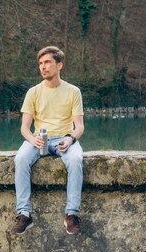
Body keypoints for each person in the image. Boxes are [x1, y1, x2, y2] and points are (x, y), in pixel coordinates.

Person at [11, 46, 85, 236]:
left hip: (64, 139)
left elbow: (80, 127)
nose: (43, 67)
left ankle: (71, 214)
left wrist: (70, 139)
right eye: (40, 63)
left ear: (59, 65)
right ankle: (24, 214)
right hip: (39, 138)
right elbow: (24, 128)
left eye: (47, 63)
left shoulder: (73, 91)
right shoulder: (33, 92)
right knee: (20, 159)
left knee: (76, 160)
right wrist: (32, 139)